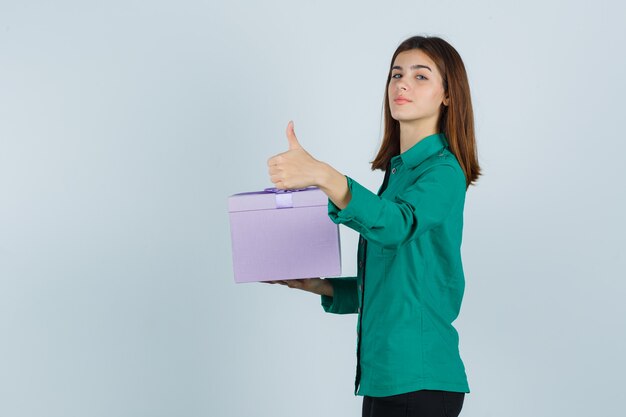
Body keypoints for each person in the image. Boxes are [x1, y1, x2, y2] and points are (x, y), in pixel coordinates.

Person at [265, 35, 481, 417]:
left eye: (420, 76)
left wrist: (323, 175)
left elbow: (396, 225)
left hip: (422, 379)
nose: (402, 83)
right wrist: (320, 286)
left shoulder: (445, 171)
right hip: (385, 378)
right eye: (397, 74)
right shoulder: (397, 175)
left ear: (448, 95)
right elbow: (395, 286)